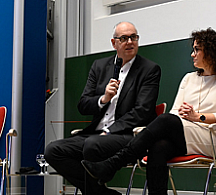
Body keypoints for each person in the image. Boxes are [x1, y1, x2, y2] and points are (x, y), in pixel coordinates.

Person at [82, 28, 216, 195]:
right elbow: (174, 113)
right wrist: (184, 116)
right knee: (158, 147)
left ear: (211, 51)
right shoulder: (189, 78)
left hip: (213, 139)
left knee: (167, 121)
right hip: (184, 136)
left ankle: (114, 163)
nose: (192, 54)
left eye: (197, 49)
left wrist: (198, 117)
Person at [44, 21, 161, 195]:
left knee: (93, 144)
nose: (130, 42)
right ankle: (101, 192)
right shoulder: (99, 67)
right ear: (114, 43)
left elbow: (142, 111)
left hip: (127, 135)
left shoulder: (149, 69)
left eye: (133, 37)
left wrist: (110, 131)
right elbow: (83, 105)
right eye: (124, 38)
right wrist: (104, 98)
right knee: (53, 151)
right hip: (95, 134)